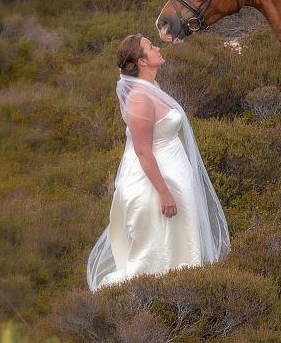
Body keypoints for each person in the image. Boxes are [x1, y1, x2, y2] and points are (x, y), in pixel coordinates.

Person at [87, 34, 229, 291]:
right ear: (142, 61)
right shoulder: (140, 99)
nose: (157, 48)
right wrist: (164, 194)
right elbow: (143, 151)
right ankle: (147, 297)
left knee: (180, 243)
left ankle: (184, 291)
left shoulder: (153, 86)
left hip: (173, 174)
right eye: (151, 46)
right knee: (157, 254)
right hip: (154, 184)